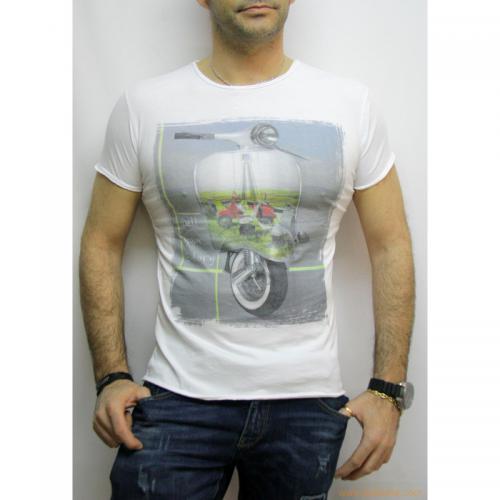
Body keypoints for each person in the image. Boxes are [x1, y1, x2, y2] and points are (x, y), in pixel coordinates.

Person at [79, 1, 416, 498]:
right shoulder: (144, 106)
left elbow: (390, 245)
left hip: (307, 404)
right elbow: (101, 241)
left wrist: (388, 389)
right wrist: (110, 375)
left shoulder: (350, 104)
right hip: (177, 398)